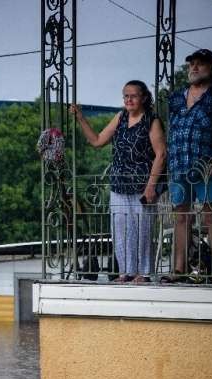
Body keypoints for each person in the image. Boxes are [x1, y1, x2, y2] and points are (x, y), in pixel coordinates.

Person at [71, 80, 167, 283]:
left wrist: (151, 186)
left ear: (143, 97)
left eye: (133, 95)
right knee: (121, 230)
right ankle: (126, 272)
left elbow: (161, 154)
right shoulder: (121, 117)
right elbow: (97, 141)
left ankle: (144, 273)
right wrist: (81, 118)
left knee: (142, 229)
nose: (129, 99)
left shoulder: (151, 120)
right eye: (126, 96)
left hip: (143, 185)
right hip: (119, 184)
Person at [165, 49, 212, 283]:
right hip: (179, 166)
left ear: (211, 67)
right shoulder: (176, 97)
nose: (194, 68)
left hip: (208, 168)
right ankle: (179, 269)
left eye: (200, 64)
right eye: (191, 64)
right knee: (181, 217)